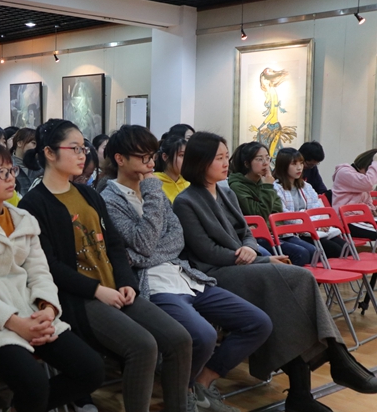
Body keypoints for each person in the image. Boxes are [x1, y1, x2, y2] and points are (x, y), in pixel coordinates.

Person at [173, 131, 377, 412]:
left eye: (226, 156)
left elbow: (246, 232)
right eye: (218, 158)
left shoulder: (225, 192)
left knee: (290, 295)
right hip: (215, 272)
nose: (225, 163)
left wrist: (251, 250)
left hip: (242, 264)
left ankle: (307, 389)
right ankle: (337, 360)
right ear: (200, 161)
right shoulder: (186, 201)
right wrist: (261, 260)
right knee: (295, 278)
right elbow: (206, 251)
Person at [19, 119, 193, 412]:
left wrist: (125, 282)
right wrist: (97, 290)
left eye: (83, 148)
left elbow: (113, 245)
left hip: (114, 287)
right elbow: (50, 266)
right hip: (78, 297)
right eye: (74, 148)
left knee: (179, 339)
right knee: (143, 346)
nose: (83, 155)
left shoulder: (87, 193)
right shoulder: (34, 204)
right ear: (49, 153)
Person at [101, 125, 272, 412]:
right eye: (144, 157)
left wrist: (141, 254)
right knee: (203, 336)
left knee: (258, 322)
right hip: (151, 283)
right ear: (120, 159)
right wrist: (152, 194)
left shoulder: (155, 191)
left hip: (184, 274)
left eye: (152, 156)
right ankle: (183, 393)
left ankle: (200, 381)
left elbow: (176, 239)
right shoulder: (110, 200)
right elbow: (144, 242)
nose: (151, 164)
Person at [0, 142, 105, 412]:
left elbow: (40, 272)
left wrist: (48, 309)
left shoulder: (22, 219)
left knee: (91, 370)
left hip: (30, 312)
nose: (11, 178)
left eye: (11, 170)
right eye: (1, 172)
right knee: (34, 383)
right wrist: (14, 322)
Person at [228, 142, 314, 266]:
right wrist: (268, 187)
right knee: (300, 253)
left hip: (273, 232)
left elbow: (277, 210)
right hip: (254, 236)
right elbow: (258, 213)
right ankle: (285, 278)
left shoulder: (263, 182)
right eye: (259, 159)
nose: (265, 163)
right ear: (247, 163)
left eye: (267, 158)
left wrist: (269, 224)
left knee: (312, 250)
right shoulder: (238, 185)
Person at [273, 148, 346, 258]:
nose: (299, 167)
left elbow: (317, 208)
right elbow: (286, 216)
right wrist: (313, 224)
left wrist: (318, 223)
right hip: (295, 232)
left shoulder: (306, 186)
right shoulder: (276, 188)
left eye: (301, 163)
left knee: (345, 247)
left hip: (313, 229)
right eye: (294, 164)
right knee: (334, 250)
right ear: (283, 166)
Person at [332, 148, 377, 238]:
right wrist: (376, 162)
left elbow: (367, 202)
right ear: (369, 166)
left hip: (361, 218)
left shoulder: (361, 177)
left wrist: (372, 210)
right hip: (347, 221)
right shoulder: (344, 173)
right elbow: (368, 183)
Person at [154, 133, 189, 203]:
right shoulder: (154, 183)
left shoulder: (188, 184)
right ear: (165, 157)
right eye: (182, 155)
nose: (187, 160)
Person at [11, 128, 40, 195]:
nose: (36, 148)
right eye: (34, 143)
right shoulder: (8, 165)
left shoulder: (40, 167)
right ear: (20, 143)